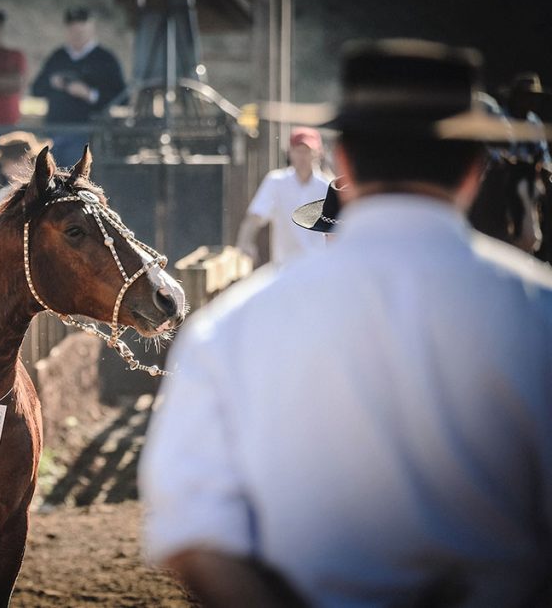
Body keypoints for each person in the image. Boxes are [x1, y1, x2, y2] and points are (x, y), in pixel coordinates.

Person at [140, 38, 552, 606]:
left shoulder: (229, 327)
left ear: (345, 161)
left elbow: (191, 529)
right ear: (474, 170)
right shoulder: (538, 312)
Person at [31, 6, 126, 165]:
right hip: (55, 132)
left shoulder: (105, 59)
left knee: (74, 176)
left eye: (81, 30)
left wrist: (90, 94)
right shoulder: (58, 56)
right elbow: (36, 89)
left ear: (92, 28)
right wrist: (53, 82)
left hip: (87, 134)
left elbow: (122, 98)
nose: (77, 34)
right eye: (73, 30)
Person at [236, 127, 331, 266]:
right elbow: (255, 216)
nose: (302, 156)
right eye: (298, 150)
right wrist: (245, 243)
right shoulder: (276, 182)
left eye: (307, 151)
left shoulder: (328, 187)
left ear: (318, 153)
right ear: (290, 152)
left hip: (319, 268)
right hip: (285, 267)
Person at [0, 130, 51, 205]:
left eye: (6, 164)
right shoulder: (2, 196)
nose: (3, 170)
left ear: (24, 159)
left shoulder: (48, 190)